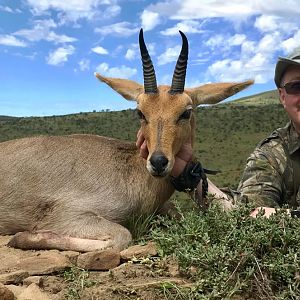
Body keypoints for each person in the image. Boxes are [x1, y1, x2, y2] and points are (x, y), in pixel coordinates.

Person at [136, 48, 300, 217]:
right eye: (297, 86)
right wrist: (187, 172)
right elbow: (248, 216)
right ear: (282, 96)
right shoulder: (272, 155)